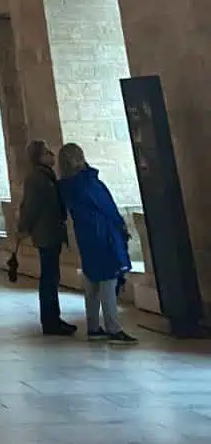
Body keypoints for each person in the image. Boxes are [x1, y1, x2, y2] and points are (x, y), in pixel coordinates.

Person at [57, 143, 136, 344]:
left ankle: (93, 326)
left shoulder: (67, 186)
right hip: (103, 234)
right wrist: (121, 227)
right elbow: (107, 207)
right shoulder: (87, 183)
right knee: (108, 280)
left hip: (86, 236)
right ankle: (113, 328)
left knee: (92, 281)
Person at [16, 138, 76, 336]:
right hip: (46, 234)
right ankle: (50, 321)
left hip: (51, 232)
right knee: (49, 277)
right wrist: (23, 228)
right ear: (38, 157)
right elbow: (30, 207)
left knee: (52, 276)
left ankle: (53, 318)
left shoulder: (45, 176)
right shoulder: (37, 178)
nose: (51, 155)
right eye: (47, 152)